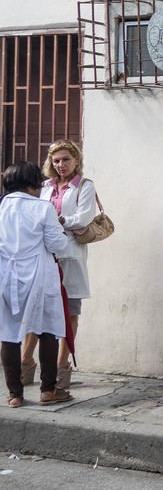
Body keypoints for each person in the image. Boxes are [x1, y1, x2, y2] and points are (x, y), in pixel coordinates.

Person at [21, 140, 97, 391]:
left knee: (71, 312)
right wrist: (52, 221)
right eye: (56, 160)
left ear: (76, 160)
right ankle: (25, 362)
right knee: (37, 309)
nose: (61, 165)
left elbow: (83, 218)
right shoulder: (43, 186)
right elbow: (34, 216)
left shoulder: (84, 186)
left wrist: (54, 220)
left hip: (70, 255)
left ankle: (61, 365)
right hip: (43, 255)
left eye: (66, 159)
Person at [0, 161, 72, 406]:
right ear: (34, 183)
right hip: (40, 277)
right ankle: (48, 390)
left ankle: (15, 394)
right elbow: (57, 245)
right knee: (48, 330)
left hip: (7, 278)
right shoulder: (43, 208)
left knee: (9, 334)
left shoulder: (0, 206)